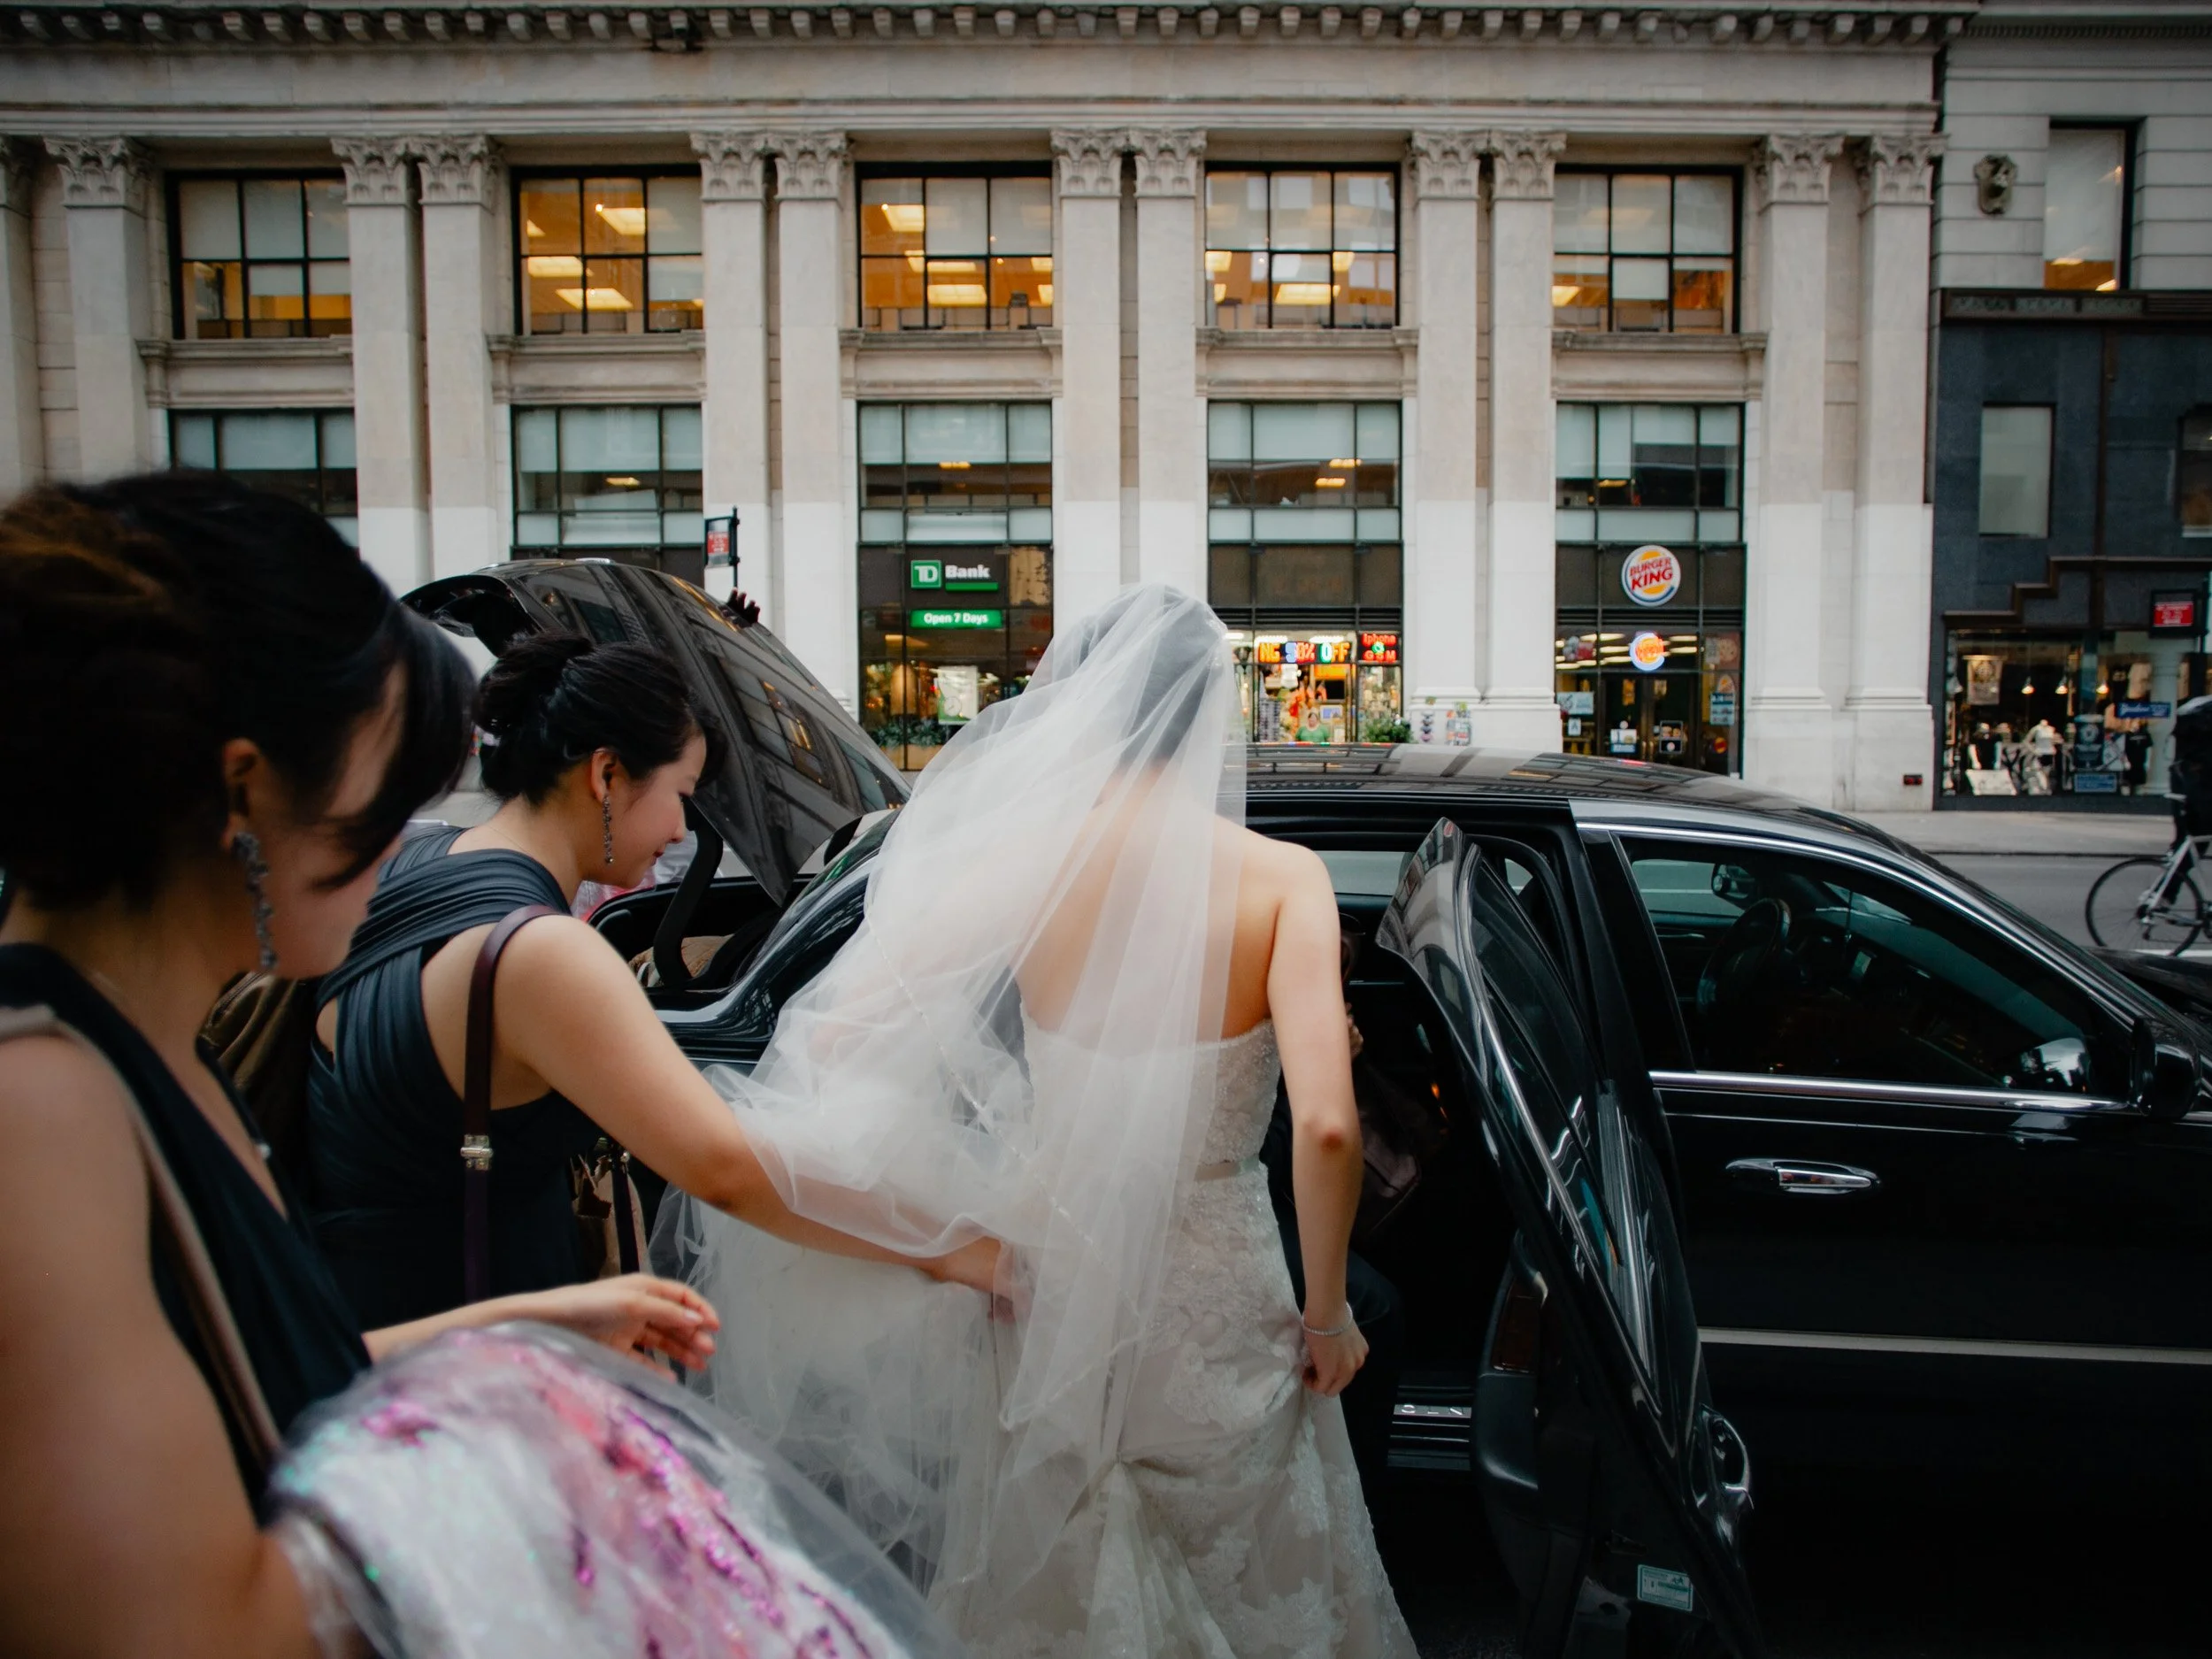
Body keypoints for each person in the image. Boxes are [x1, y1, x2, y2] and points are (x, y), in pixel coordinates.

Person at [0, 475, 737, 1655]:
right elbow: (181, 1621)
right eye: (386, 790)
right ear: (243, 789)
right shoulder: (39, 1107)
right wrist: (521, 1449)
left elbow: (264, 1376)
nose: (406, 841)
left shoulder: (135, 1052)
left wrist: (532, 1323)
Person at [665, 586, 1418, 1655]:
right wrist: (1330, 1315)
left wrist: (953, 1199)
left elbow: (837, 1042)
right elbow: (1331, 1130)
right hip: (1216, 1286)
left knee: (1055, 1543)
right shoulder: (1283, 878)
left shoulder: (1025, 864)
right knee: (1250, 1562)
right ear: (1213, 712)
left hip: (1054, 1274)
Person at [310, 630, 1002, 1329]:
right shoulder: (542, 953)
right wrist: (949, 1248)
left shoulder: (420, 865)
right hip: (472, 1335)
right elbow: (725, 1170)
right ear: (606, 775)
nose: (680, 830)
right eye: (682, 794)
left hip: (364, 1299)